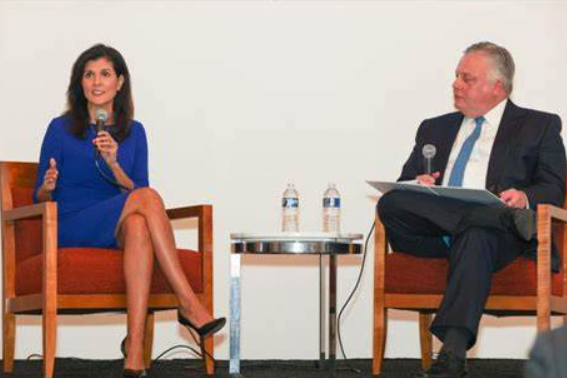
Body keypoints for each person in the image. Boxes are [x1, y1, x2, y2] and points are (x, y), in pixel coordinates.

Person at [33, 44, 225, 378]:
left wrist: (115, 164)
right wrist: (48, 184)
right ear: (79, 83)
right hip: (70, 222)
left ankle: (134, 349)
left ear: (120, 82)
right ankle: (188, 302)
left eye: (105, 74)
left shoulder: (135, 132)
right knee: (145, 203)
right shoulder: (59, 128)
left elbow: (138, 194)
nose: (96, 82)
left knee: (139, 224)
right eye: (89, 74)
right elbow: (39, 195)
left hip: (115, 224)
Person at [377, 41, 566, 378]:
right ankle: (493, 215)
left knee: (477, 233)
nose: (456, 84)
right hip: (435, 234)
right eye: (456, 77)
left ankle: (451, 355)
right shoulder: (434, 127)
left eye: (467, 78)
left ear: (497, 87)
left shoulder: (539, 125)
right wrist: (418, 182)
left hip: (501, 241)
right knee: (390, 201)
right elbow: (404, 182)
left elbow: (553, 186)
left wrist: (523, 197)